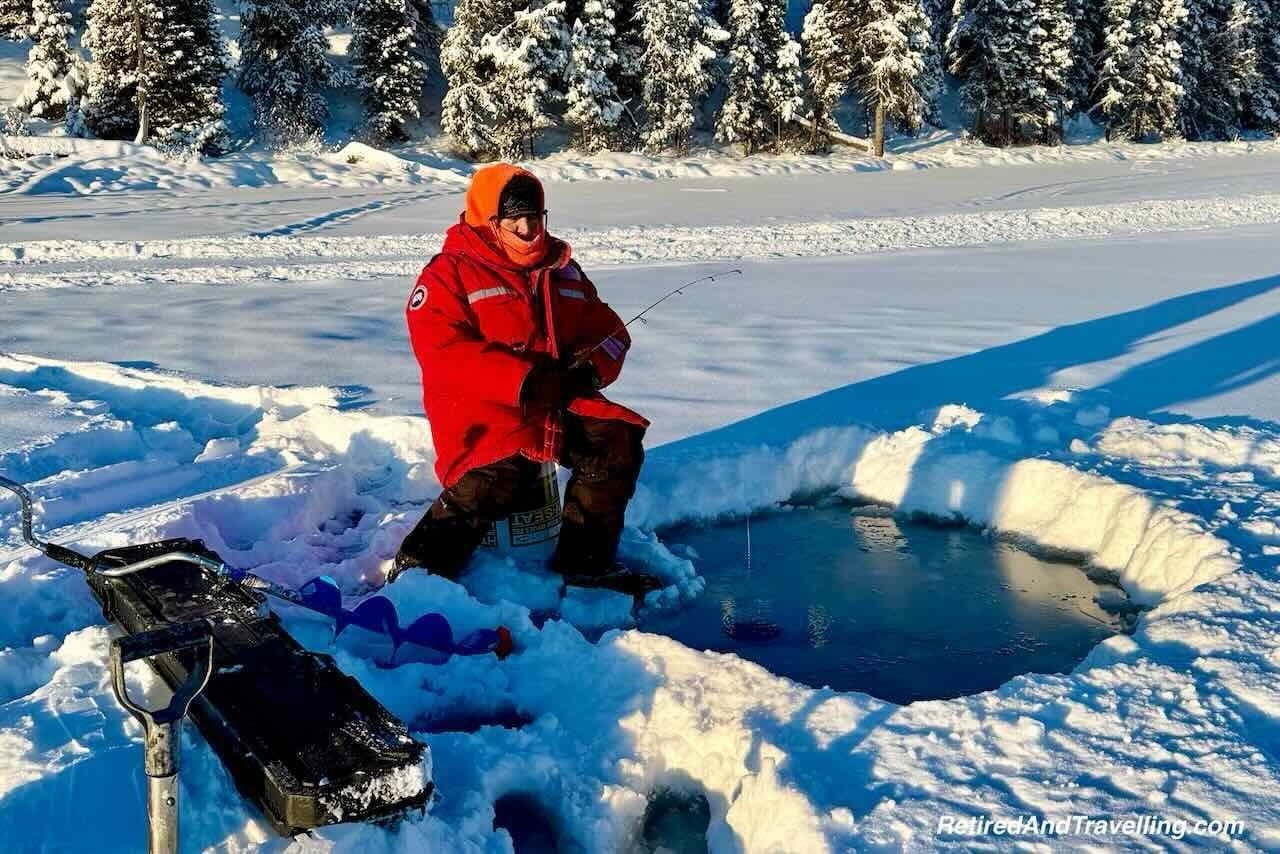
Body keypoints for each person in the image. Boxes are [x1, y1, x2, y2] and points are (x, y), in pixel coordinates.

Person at [391, 163, 660, 597]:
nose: (526, 228)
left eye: (533, 217)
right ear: (487, 220)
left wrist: (588, 370)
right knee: (498, 475)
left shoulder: (563, 270)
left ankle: (586, 562)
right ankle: (417, 571)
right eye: (512, 218)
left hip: (556, 401)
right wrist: (525, 381)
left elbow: (610, 332)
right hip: (483, 409)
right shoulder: (449, 273)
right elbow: (442, 353)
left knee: (614, 442)